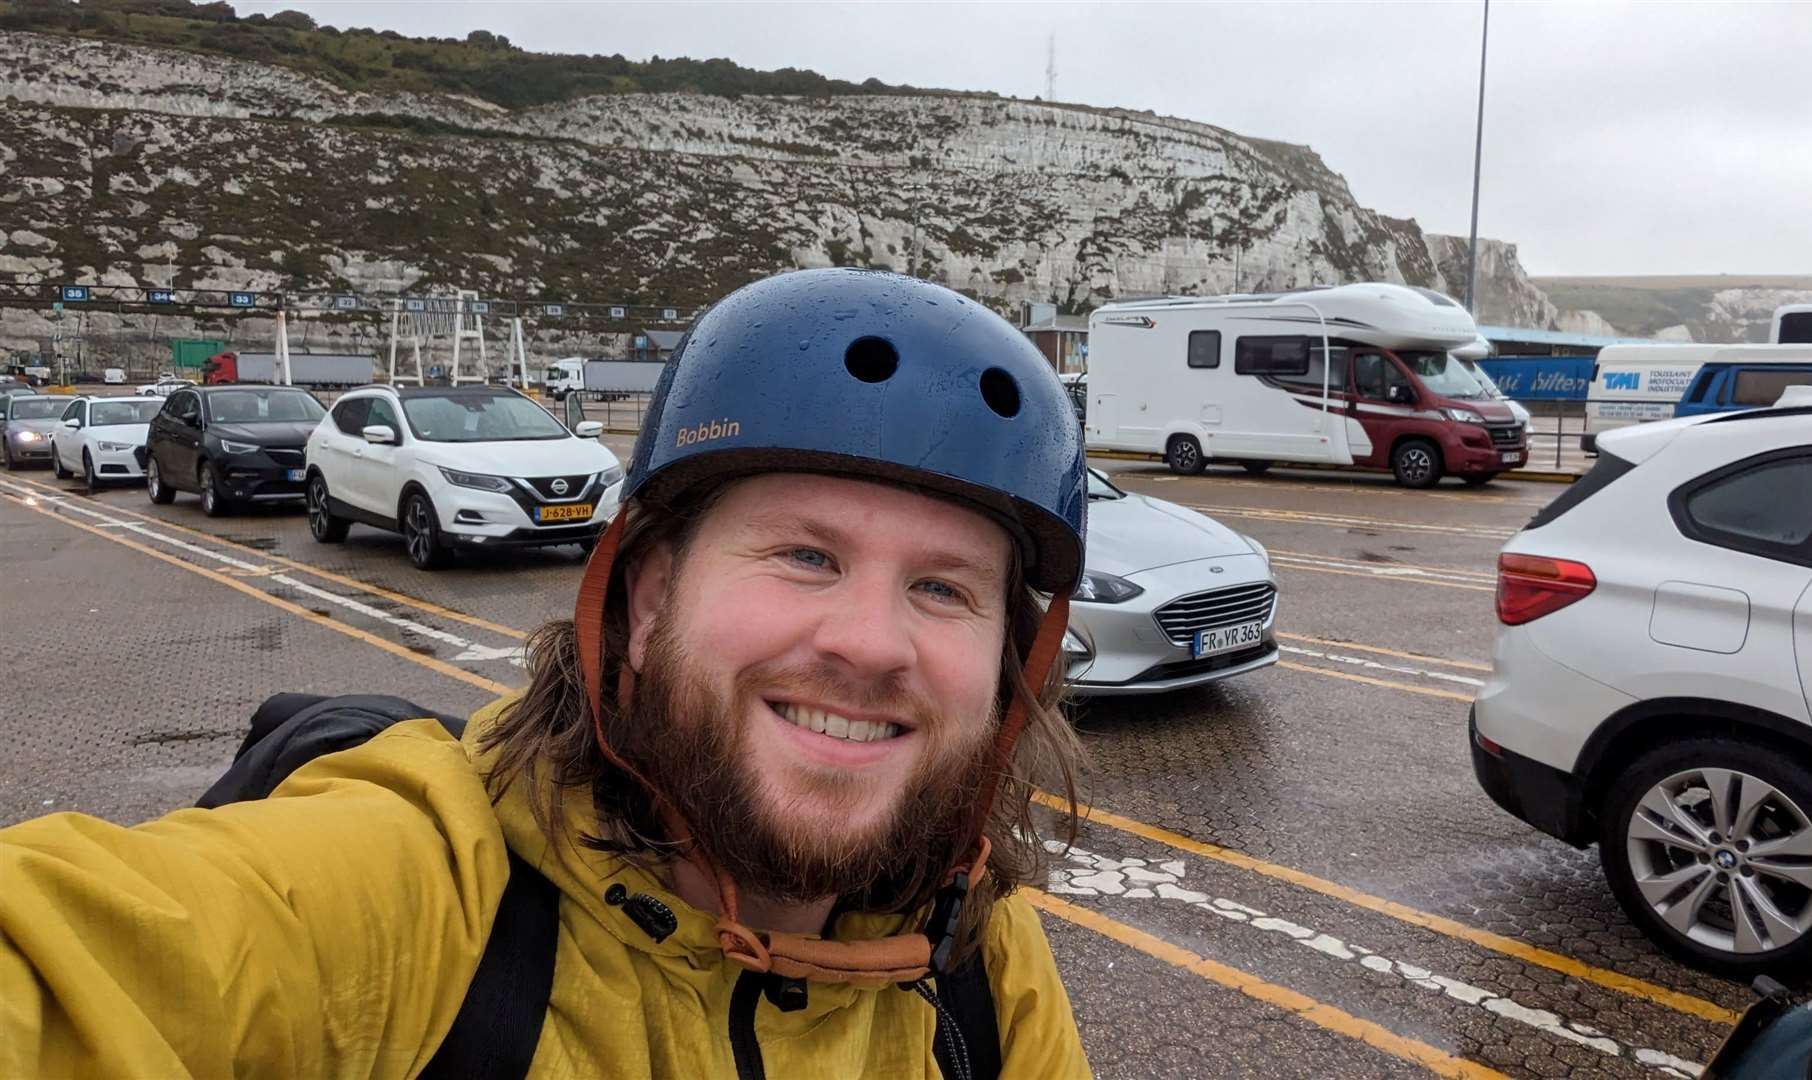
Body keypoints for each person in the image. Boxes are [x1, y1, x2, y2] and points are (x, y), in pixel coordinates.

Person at [0, 268, 1094, 1077]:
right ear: (649, 596)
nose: (870, 642)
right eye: (807, 555)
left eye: (944, 588)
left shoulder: (977, 967)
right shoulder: (418, 893)